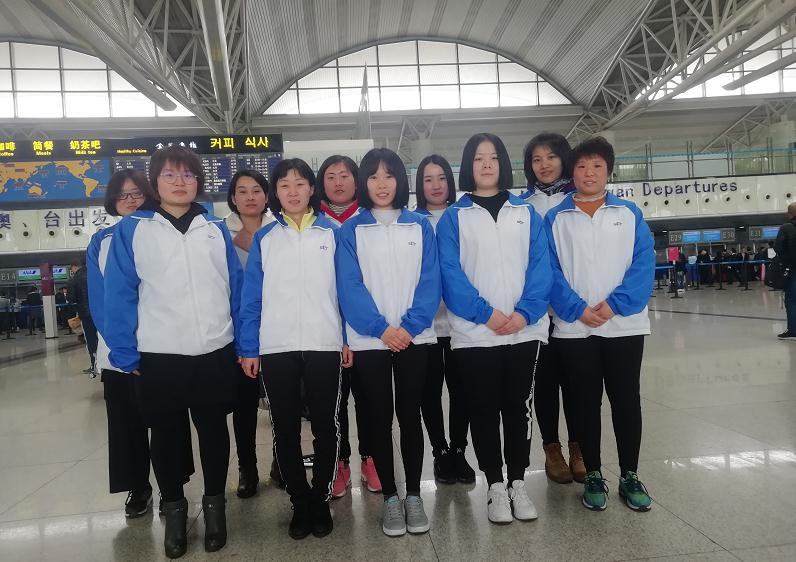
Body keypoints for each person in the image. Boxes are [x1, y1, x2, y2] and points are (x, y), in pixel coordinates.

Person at [104, 145, 242, 558]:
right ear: (155, 182)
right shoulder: (134, 230)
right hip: (159, 353)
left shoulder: (214, 228)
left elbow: (234, 290)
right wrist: (125, 353)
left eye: (188, 175)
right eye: (170, 175)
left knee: (214, 431)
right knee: (164, 436)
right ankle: (176, 512)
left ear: (198, 181)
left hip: (214, 349)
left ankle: (215, 510)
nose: (180, 182)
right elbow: (119, 294)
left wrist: (243, 343)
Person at [436, 133, 552, 525]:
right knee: (483, 409)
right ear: (468, 166)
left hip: (523, 329)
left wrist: (524, 313)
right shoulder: (454, 217)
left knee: (518, 409)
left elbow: (541, 267)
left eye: (493, 157)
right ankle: (495, 487)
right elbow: (450, 273)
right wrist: (485, 314)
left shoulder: (527, 213)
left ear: (503, 163)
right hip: (475, 333)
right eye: (478, 158)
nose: (486, 164)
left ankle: (518, 481)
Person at [240, 158, 347, 540]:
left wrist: (346, 338)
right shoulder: (266, 239)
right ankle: (299, 501)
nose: (293, 191)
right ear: (276, 192)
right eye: (284, 185)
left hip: (324, 344)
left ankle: (320, 498)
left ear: (311, 189)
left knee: (325, 426)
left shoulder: (333, 233)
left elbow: (346, 291)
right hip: (277, 346)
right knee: (284, 429)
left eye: (300, 183)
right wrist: (249, 347)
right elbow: (251, 297)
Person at [546, 136, 655, 513]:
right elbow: (549, 271)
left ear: (609, 171)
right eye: (581, 166)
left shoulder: (629, 213)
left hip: (624, 326)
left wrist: (612, 306)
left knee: (626, 400)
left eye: (596, 166)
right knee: (583, 402)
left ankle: (629, 474)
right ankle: (593, 472)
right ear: (571, 172)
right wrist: (576, 308)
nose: (589, 173)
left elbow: (643, 265)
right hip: (575, 328)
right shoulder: (556, 219)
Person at [336, 147, 440, 537]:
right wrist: (381, 329)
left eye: (389, 175)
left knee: (410, 416)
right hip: (370, 341)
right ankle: (391, 499)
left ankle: (413, 494)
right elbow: (349, 287)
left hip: (415, 338)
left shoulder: (420, 226)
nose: (382, 184)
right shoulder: (351, 231)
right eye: (374, 176)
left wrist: (409, 327)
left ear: (400, 180)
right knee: (378, 419)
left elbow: (430, 281)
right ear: (364, 182)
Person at [87, 168, 194, 520]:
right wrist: (122, 346)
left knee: (169, 421)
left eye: (136, 193)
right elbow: (100, 300)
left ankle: (173, 485)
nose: (130, 200)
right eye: (122, 195)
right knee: (126, 423)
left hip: (162, 347)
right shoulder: (101, 241)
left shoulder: (164, 232)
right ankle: (137, 486)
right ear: (113, 202)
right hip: (120, 354)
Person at [519, 132, 584, 485]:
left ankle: (578, 447)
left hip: (573, 310)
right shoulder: (521, 205)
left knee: (576, 383)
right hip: (538, 313)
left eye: (551, 157)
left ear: (564, 159)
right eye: (536, 159)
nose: (543, 165)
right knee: (544, 384)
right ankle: (552, 449)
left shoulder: (579, 200)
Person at [317, 155, 380, 498]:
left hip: (367, 327)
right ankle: (340, 462)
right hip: (328, 328)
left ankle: (371, 458)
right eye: (330, 176)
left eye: (345, 175)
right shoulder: (314, 223)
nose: (338, 182)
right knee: (335, 402)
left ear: (358, 181)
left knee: (369, 398)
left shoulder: (370, 220)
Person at [413, 154, 475, 485]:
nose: (435, 185)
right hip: (426, 324)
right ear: (419, 185)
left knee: (462, 388)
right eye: (428, 179)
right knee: (429, 391)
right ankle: (440, 451)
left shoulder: (465, 216)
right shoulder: (411, 221)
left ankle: (459, 450)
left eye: (441, 178)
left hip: (462, 322)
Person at [224, 169, 274, 499]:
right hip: (239, 330)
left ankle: (282, 462)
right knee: (244, 406)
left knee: (282, 403)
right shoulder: (219, 233)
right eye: (242, 191)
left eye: (256, 190)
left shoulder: (280, 228)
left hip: (276, 327)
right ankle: (247, 468)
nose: (250, 196)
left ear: (267, 196)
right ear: (233, 198)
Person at [68, 260, 97, 374]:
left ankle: (94, 364)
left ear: (74, 267)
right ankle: (107, 364)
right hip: (100, 311)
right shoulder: (94, 274)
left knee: (91, 339)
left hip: (85, 313)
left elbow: (71, 299)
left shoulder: (74, 279)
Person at [774, 202, 796, 339]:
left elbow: (778, 248)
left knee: (792, 300)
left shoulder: (786, 228)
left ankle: (793, 330)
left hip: (792, 268)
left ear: (790, 214)